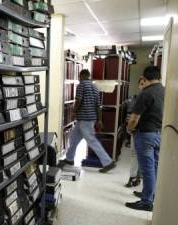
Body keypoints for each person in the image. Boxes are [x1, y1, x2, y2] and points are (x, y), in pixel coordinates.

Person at [60, 69, 116, 173]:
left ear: (80, 76)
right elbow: (98, 105)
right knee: (74, 138)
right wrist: (99, 120)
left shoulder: (81, 85)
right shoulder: (95, 87)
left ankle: (108, 162)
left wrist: (74, 111)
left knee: (91, 140)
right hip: (89, 119)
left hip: (85, 119)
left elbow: (78, 100)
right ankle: (69, 159)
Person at [125, 66, 164, 211]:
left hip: (146, 135)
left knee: (147, 169)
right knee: (154, 167)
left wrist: (129, 129)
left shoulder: (145, 94)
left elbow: (134, 118)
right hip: (159, 134)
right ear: (159, 77)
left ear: (145, 78)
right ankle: (150, 194)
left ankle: (147, 202)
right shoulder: (165, 91)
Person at [125, 78, 146, 187]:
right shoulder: (134, 98)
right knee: (134, 155)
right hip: (135, 131)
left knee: (143, 156)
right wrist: (130, 128)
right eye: (141, 84)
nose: (143, 86)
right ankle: (132, 176)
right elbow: (130, 115)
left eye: (145, 83)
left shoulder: (149, 97)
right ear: (138, 85)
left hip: (146, 132)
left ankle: (139, 177)